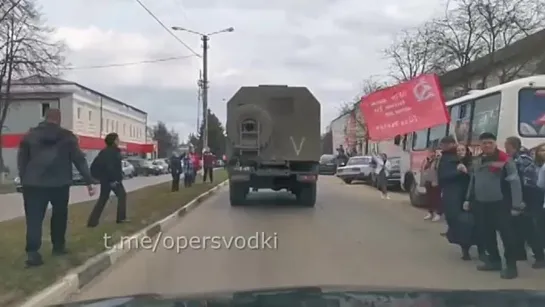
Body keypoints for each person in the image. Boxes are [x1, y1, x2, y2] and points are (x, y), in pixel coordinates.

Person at [17, 109, 95, 267]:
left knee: (34, 219)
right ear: (59, 119)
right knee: (59, 215)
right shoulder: (67, 137)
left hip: (34, 184)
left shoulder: (30, 135)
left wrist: (25, 178)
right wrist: (88, 180)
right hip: (60, 183)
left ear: (45, 118)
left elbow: (22, 159)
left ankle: (33, 254)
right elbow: (79, 159)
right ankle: (58, 247)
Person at [464, 132, 522, 279]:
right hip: (481, 203)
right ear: (480, 145)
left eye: (490, 142)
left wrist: (516, 205)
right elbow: (473, 181)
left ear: (495, 143)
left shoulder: (505, 160)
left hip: (501, 204)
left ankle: (511, 266)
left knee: (507, 235)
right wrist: (468, 199)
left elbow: (515, 183)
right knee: (486, 234)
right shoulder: (477, 161)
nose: (487, 145)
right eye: (484, 143)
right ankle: (494, 261)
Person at [505, 137, 545, 268]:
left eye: (507, 145)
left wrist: (522, 199)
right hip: (521, 196)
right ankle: (520, 252)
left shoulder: (523, 159)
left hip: (530, 196)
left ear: (513, 146)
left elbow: (528, 181)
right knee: (519, 225)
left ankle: (539, 256)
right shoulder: (514, 159)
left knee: (530, 228)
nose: (505, 148)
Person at [87, 133, 128, 228]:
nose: (119, 141)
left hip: (106, 180)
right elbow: (110, 167)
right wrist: (114, 180)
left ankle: (92, 222)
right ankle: (121, 218)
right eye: (117, 139)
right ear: (113, 141)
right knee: (122, 195)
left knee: (103, 199)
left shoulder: (104, 152)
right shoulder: (112, 152)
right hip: (112, 180)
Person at [421, 147, 442, 222]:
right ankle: (430, 212)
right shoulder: (427, 160)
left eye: (432, 152)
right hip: (428, 181)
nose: (431, 154)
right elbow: (424, 170)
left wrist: (436, 181)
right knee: (429, 198)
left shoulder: (437, 160)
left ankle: (438, 214)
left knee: (436, 198)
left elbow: (438, 171)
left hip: (435, 181)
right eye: (429, 152)